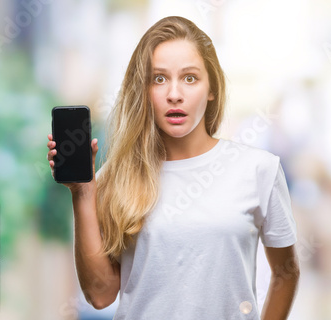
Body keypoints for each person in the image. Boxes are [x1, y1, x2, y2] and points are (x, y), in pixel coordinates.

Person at [46, 16, 299, 320]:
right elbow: (100, 295)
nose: (174, 94)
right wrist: (83, 193)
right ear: (144, 90)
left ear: (211, 89)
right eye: (159, 78)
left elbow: (286, 273)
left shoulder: (259, 169)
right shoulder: (116, 177)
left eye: (190, 78)